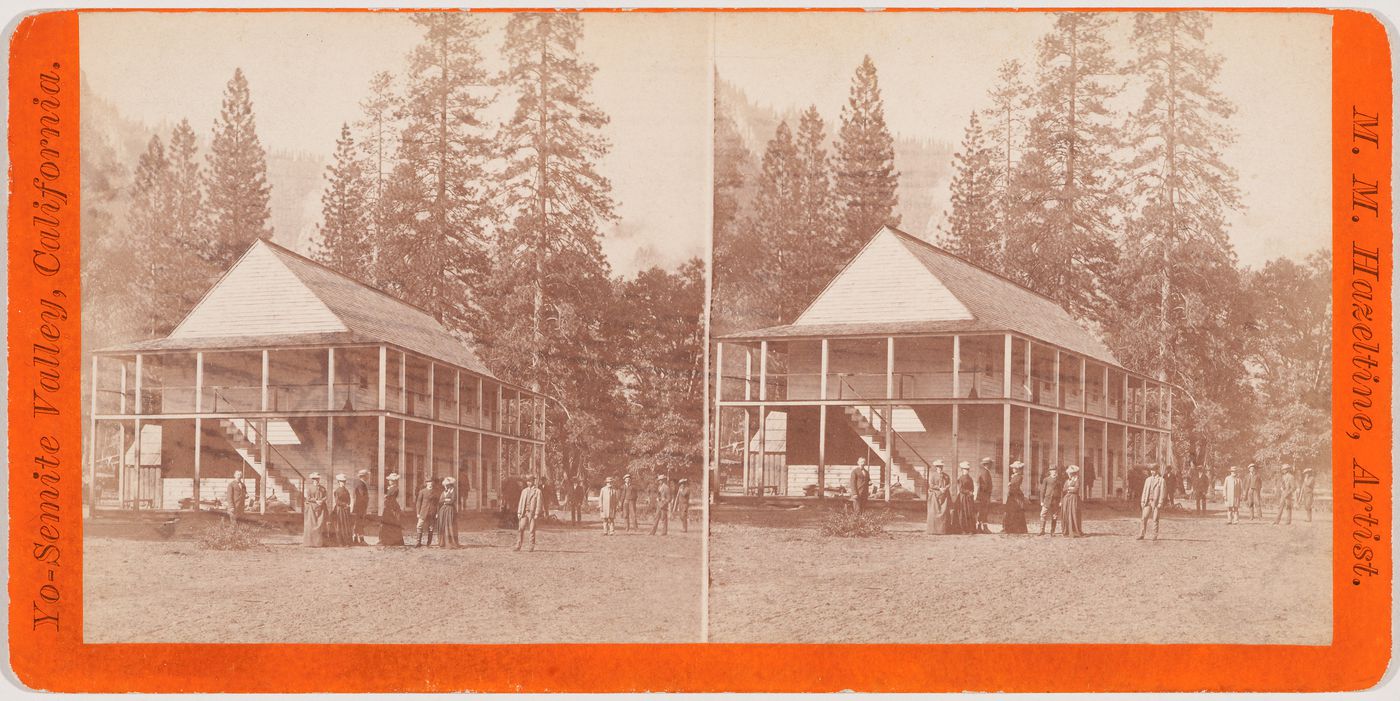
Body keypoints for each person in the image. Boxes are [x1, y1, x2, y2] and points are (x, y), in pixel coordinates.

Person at [514, 474, 543, 552]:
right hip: (524, 512)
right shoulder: (524, 491)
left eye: (530, 481)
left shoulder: (537, 491)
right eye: (527, 481)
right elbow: (521, 502)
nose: (529, 483)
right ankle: (518, 545)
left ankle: (531, 546)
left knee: (532, 530)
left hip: (532, 513)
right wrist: (519, 512)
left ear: (534, 481)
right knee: (520, 528)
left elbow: (539, 503)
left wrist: (537, 513)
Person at [1138, 464, 1165, 540]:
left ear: (1157, 470)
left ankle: (1154, 535)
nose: (1152, 472)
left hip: (1155, 502)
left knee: (1155, 518)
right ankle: (1142, 534)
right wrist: (1142, 501)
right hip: (1147, 501)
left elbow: (1162, 493)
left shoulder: (1161, 480)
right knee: (1144, 517)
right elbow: (1144, 491)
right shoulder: (1148, 480)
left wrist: (1160, 503)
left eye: (1154, 470)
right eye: (1151, 470)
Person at [926, 460, 952, 535]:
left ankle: (943, 530)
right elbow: (931, 485)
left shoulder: (946, 476)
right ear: (936, 467)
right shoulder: (933, 475)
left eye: (941, 467)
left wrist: (945, 488)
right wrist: (939, 488)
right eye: (938, 467)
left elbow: (949, 483)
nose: (939, 468)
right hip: (935, 495)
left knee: (944, 512)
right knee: (934, 512)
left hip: (944, 495)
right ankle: (934, 530)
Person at [1002, 461, 1029, 534]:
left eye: (1014, 468)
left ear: (1018, 469)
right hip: (1012, 496)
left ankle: (1017, 528)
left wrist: (1010, 485)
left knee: (1016, 511)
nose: (1013, 469)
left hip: (1016, 496)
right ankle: (1010, 528)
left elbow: (1016, 487)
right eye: (1013, 468)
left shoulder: (1019, 477)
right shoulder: (1014, 476)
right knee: (1010, 511)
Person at [379, 473, 405, 546]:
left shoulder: (394, 488)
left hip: (392, 507)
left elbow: (390, 498)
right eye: (389, 480)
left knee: (392, 523)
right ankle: (387, 540)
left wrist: (386, 496)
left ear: (393, 481)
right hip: (389, 506)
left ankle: (392, 540)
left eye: (390, 480)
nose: (389, 481)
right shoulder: (391, 488)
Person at [302, 473, 328, 547]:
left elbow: (326, 496)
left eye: (317, 479)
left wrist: (322, 501)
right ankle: (310, 543)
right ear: (312, 480)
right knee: (311, 524)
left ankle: (318, 543)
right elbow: (308, 498)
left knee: (320, 524)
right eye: (314, 479)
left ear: (319, 479)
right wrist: (316, 501)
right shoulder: (309, 488)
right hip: (312, 508)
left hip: (321, 508)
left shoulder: (323, 488)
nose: (316, 480)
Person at [415, 477, 440, 547]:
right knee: (419, 525)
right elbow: (418, 502)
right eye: (428, 482)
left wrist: (437, 513)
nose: (430, 484)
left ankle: (429, 543)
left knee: (431, 527)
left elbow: (437, 503)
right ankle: (418, 542)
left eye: (431, 482)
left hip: (432, 512)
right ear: (426, 483)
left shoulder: (436, 492)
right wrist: (418, 512)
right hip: (423, 511)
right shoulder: (422, 491)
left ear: (433, 483)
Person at [330, 474, 353, 546]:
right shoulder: (337, 491)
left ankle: (347, 542)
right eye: (341, 481)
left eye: (344, 481)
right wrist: (345, 505)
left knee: (346, 525)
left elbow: (349, 499)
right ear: (338, 482)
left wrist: (348, 505)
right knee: (340, 525)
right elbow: (337, 501)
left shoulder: (346, 490)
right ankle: (340, 542)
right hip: (339, 510)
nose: (343, 483)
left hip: (346, 510)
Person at [953, 462, 976, 535]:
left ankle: (970, 529)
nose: (966, 471)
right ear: (962, 470)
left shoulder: (970, 478)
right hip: (962, 498)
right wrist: (968, 492)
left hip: (969, 498)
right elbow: (961, 489)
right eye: (965, 469)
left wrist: (972, 492)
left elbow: (972, 487)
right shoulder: (961, 478)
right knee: (963, 513)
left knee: (969, 512)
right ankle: (963, 529)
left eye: (967, 469)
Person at [1039, 465, 1063, 536]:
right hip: (1047, 499)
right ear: (1050, 471)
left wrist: (1061, 501)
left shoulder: (1059, 480)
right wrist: (1041, 500)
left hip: (1056, 500)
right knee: (1043, 514)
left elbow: (1061, 491)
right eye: (1052, 470)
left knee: (1054, 516)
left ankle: (1052, 532)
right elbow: (1042, 490)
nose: (1054, 472)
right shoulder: (1046, 479)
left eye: (1055, 470)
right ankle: (1042, 530)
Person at [1061, 465, 1083, 537]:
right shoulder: (1067, 481)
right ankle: (1067, 530)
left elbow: (1076, 489)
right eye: (1069, 473)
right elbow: (1064, 489)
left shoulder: (1077, 480)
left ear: (1074, 473)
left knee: (1073, 513)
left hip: (1074, 499)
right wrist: (1070, 488)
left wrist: (1069, 489)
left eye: (1071, 473)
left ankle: (1074, 530)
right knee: (1066, 513)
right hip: (1066, 499)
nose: (1069, 475)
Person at [349, 469, 371, 545]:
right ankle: (361, 540)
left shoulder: (358, 483)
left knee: (357, 523)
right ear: (364, 476)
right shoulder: (361, 484)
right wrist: (364, 507)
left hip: (357, 507)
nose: (368, 477)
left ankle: (355, 539)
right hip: (360, 507)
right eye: (367, 476)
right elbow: (362, 497)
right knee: (360, 523)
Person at [437, 477, 459, 548]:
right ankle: (442, 542)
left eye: (448, 485)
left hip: (450, 510)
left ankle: (450, 542)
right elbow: (440, 501)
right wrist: (446, 500)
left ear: (451, 485)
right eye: (446, 485)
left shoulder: (454, 491)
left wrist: (445, 500)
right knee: (443, 524)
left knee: (449, 524)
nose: (446, 486)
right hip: (443, 510)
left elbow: (452, 500)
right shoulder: (443, 492)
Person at [974, 457, 995, 533]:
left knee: (982, 511)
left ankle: (980, 527)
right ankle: (983, 528)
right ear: (987, 465)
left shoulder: (984, 472)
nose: (991, 465)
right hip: (984, 496)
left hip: (983, 495)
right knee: (984, 511)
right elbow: (985, 486)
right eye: (990, 464)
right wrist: (988, 494)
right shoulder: (985, 473)